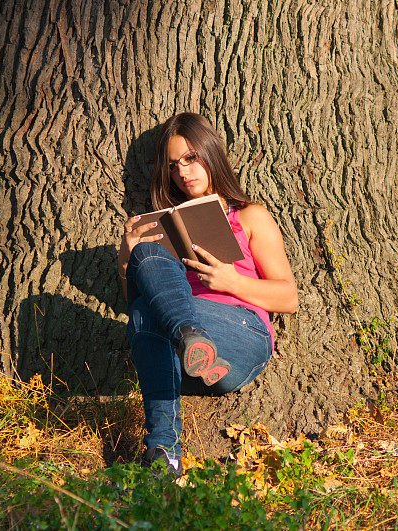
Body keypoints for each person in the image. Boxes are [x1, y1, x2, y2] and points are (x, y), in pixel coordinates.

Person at [117, 112, 298, 476]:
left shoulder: (250, 216)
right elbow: (134, 301)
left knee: (148, 311)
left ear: (210, 154)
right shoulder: (162, 225)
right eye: (173, 166)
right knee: (142, 306)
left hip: (239, 337)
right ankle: (164, 454)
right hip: (187, 357)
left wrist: (230, 281)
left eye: (191, 158)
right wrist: (129, 253)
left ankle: (189, 337)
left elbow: (289, 298)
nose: (183, 172)